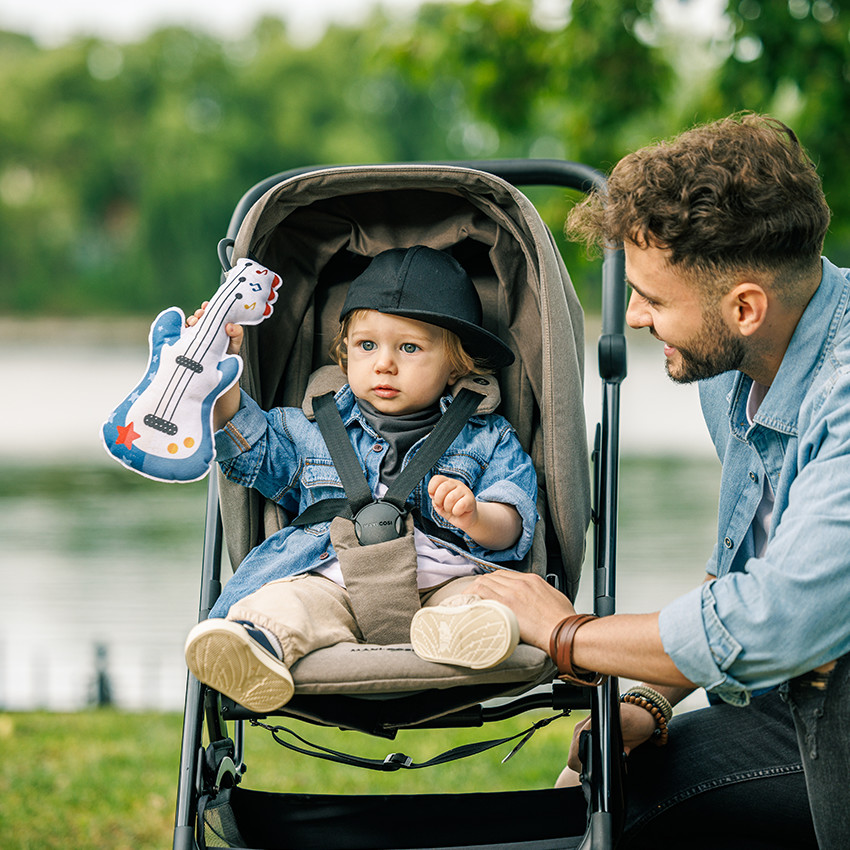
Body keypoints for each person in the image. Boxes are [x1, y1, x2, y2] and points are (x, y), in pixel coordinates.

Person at [468, 113, 849, 848]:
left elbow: (779, 622)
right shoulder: (737, 371)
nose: (635, 317)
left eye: (653, 298)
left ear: (744, 307)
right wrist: (650, 697)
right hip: (800, 694)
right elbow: (749, 575)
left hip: (831, 697)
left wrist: (566, 634)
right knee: (612, 791)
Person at [184, 245, 539, 713]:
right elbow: (250, 444)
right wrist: (218, 371)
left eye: (409, 348)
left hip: (439, 580)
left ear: (457, 363)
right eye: (366, 346)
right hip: (334, 579)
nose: (384, 364)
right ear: (345, 352)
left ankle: (462, 634)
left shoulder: (486, 436)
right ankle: (257, 645)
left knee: (479, 599)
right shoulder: (311, 427)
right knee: (291, 602)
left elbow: (513, 523)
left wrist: (475, 515)